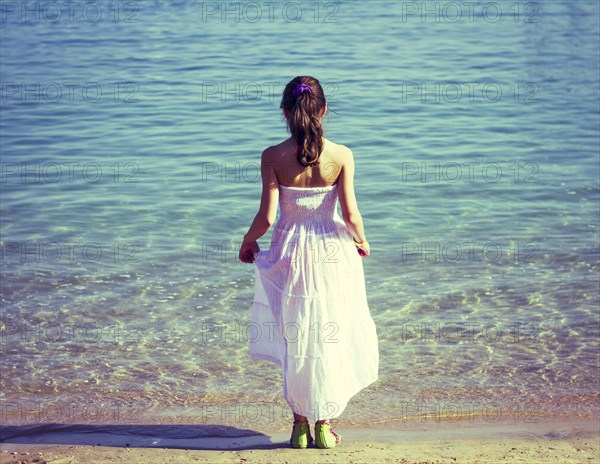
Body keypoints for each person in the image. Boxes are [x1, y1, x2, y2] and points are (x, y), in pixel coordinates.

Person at [239, 76, 379, 449]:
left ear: (285, 112)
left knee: (296, 336)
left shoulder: (272, 156)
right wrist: (361, 241)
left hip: (290, 254)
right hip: (332, 254)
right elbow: (351, 214)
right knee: (328, 334)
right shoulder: (342, 155)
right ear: (324, 110)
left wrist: (248, 241)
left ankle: (299, 426)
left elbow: (267, 217)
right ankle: (325, 426)